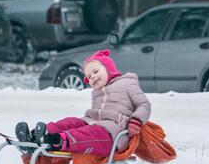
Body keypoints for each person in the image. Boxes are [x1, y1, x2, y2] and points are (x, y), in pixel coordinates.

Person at [16, 49, 151, 156]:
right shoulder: (97, 92)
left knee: (88, 133)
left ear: (109, 69)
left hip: (113, 133)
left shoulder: (127, 83)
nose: (93, 77)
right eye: (89, 77)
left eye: (96, 71)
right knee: (71, 122)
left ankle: (57, 140)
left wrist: (136, 120)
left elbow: (144, 105)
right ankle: (35, 138)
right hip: (92, 121)